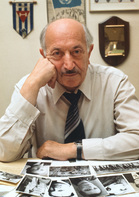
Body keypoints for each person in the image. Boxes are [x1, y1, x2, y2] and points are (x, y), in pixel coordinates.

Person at [0, 18, 139, 162]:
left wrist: (74, 149)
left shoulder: (114, 82)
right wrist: (32, 84)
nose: (69, 65)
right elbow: (4, 152)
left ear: (89, 52)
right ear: (44, 56)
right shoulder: (30, 86)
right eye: (57, 53)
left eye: (76, 51)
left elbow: (136, 138)